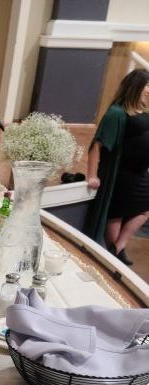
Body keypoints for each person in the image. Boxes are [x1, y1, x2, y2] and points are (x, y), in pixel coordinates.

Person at [85, 68, 149, 267]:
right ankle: (115, 252)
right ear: (135, 87)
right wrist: (91, 175)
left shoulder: (144, 110)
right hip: (123, 173)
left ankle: (118, 247)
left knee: (144, 210)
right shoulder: (117, 112)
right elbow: (97, 145)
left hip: (141, 173)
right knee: (117, 213)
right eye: (147, 87)